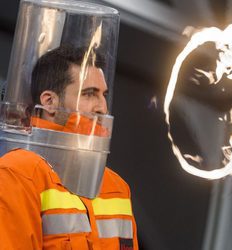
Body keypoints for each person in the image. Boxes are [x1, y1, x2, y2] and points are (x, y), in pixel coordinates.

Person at [0, 1, 138, 249]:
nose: (102, 107)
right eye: (89, 94)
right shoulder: (17, 174)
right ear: (49, 102)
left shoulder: (116, 188)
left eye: (103, 95)